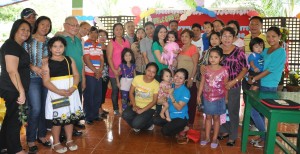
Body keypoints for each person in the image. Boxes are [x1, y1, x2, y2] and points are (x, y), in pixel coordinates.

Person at [43, 36, 84, 153]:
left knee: (69, 117)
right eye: (55, 46)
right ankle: (56, 142)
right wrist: (58, 91)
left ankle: (69, 139)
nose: (58, 49)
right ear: (50, 48)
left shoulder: (69, 59)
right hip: (56, 93)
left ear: (64, 48)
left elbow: (76, 75)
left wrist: (74, 87)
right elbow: (46, 81)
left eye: (60, 46)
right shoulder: (47, 63)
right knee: (58, 119)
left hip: (71, 92)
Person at [248, 27, 286, 148]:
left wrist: (255, 79)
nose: (270, 39)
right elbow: (255, 61)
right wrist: (251, 75)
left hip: (269, 86)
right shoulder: (266, 50)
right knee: (261, 113)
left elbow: (270, 70)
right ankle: (262, 136)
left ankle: (265, 137)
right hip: (260, 84)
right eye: (268, 36)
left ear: (279, 37)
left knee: (254, 112)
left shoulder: (281, 52)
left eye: (273, 36)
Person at [0, 19, 31, 154]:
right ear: (15, 29)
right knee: (16, 119)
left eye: (28, 30)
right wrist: (21, 91)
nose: (26, 32)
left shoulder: (16, 46)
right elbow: (12, 70)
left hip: (13, 88)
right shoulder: (12, 45)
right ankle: (16, 150)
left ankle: (3, 145)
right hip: (13, 89)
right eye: (22, 29)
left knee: (10, 117)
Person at [23, 16, 52, 153]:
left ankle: (41, 135)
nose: (45, 27)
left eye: (48, 25)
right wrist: (33, 67)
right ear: (37, 25)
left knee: (44, 108)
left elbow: (50, 59)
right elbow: (23, 59)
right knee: (35, 108)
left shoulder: (49, 42)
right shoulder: (28, 41)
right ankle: (30, 139)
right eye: (43, 24)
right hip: (32, 78)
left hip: (46, 79)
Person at [218, 27, 248, 146]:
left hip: (233, 85)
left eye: (229, 36)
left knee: (232, 110)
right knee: (221, 109)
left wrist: (234, 81)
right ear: (220, 37)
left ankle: (233, 135)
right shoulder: (216, 50)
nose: (227, 39)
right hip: (218, 86)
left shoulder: (238, 51)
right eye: (224, 36)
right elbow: (208, 63)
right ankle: (224, 130)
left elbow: (245, 69)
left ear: (233, 38)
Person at [197, 46, 229, 149]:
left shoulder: (224, 71)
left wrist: (226, 98)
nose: (212, 59)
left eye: (216, 57)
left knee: (216, 118)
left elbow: (226, 86)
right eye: (211, 57)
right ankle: (206, 137)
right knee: (208, 117)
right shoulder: (205, 69)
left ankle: (214, 138)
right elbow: (202, 83)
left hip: (219, 98)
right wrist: (199, 95)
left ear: (221, 59)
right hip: (207, 97)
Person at [58, 16, 84, 137]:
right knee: (64, 105)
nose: (75, 27)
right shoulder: (61, 39)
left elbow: (81, 59)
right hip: (66, 78)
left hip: (77, 78)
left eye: (76, 25)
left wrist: (83, 79)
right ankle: (62, 132)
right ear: (65, 25)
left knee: (74, 104)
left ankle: (71, 129)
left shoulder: (78, 40)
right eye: (71, 25)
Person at [153, 68, 190, 144]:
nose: (177, 79)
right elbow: (158, 102)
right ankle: (174, 127)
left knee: (165, 131)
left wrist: (171, 96)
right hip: (170, 115)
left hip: (180, 117)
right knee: (154, 120)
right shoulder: (170, 85)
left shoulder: (186, 91)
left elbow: (179, 108)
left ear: (185, 80)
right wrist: (161, 100)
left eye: (181, 78)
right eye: (176, 76)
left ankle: (183, 128)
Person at [122, 62, 159, 133]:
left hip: (149, 108)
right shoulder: (137, 78)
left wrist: (142, 110)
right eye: (149, 70)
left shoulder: (156, 84)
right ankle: (138, 123)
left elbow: (154, 101)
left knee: (136, 124)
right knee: (125, 115)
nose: (150, 74)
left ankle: (149, 124)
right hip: (136, 105)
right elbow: (131, 92)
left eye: (153, 72)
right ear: (145, 70)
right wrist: (134, 105)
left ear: (155, 74)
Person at [177, 29, 199, 126]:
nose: (184, 38)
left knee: (191, 102)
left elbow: (195, 65)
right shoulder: (181, 48)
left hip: (190, 79)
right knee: (181, 100)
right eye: (182, 36)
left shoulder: (193, 48)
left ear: (191, 38)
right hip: (180, 80)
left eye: (186, 36)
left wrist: (191, 78)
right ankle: (181, 121)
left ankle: (190, 123)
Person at [107, 23, 130, 115]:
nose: (119, 31)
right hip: (114, 71)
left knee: (125, 90)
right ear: (113, 31)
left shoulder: (127, 42)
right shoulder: (111, 42)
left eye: (120, 29)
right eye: (117, 29)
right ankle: (116, 109)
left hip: (125, 71)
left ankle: (125, 108)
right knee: (115, 90)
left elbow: (129, 56)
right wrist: (114, 70)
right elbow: (109, 57)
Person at [83, 26, 104, 124]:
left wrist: (100, 71)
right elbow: (86, 59)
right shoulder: (86, 43)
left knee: (98, 95)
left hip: (98, 74)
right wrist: (96, 71)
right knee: (89, 96)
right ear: (88, 33)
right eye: (91, 32)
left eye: (96, 33)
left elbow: (102, 59)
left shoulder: (99, 44)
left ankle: (95, 115)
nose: (94, 34)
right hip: (89, 74)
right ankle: (88, 117)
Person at [98, 29, 110, 117]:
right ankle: (98, 110)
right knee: (98, 91)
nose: (102, 37)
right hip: (98, 72)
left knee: (103, 90)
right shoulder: (95, 46)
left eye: (104, 36)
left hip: (106, 72)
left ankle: (100, 108)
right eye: (100, 36)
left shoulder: (108, 47)